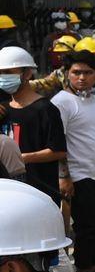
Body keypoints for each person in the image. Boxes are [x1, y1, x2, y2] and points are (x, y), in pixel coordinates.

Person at [51, 45, 95, 272]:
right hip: (79, 175)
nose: (81, 77)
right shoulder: (62, 103)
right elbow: (58, 144)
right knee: (87, 227)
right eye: (76, 72)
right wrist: (64, 177)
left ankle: (90, 267)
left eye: (88, 73)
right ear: (67, 72)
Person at [0, 46, 67, 203]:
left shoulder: (45, 109)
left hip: (40, 193)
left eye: (8, 73)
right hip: (9, 193)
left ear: (27, 73)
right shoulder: (4, 108)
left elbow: (58, 151)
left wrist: (22, 158)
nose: (2, 77)